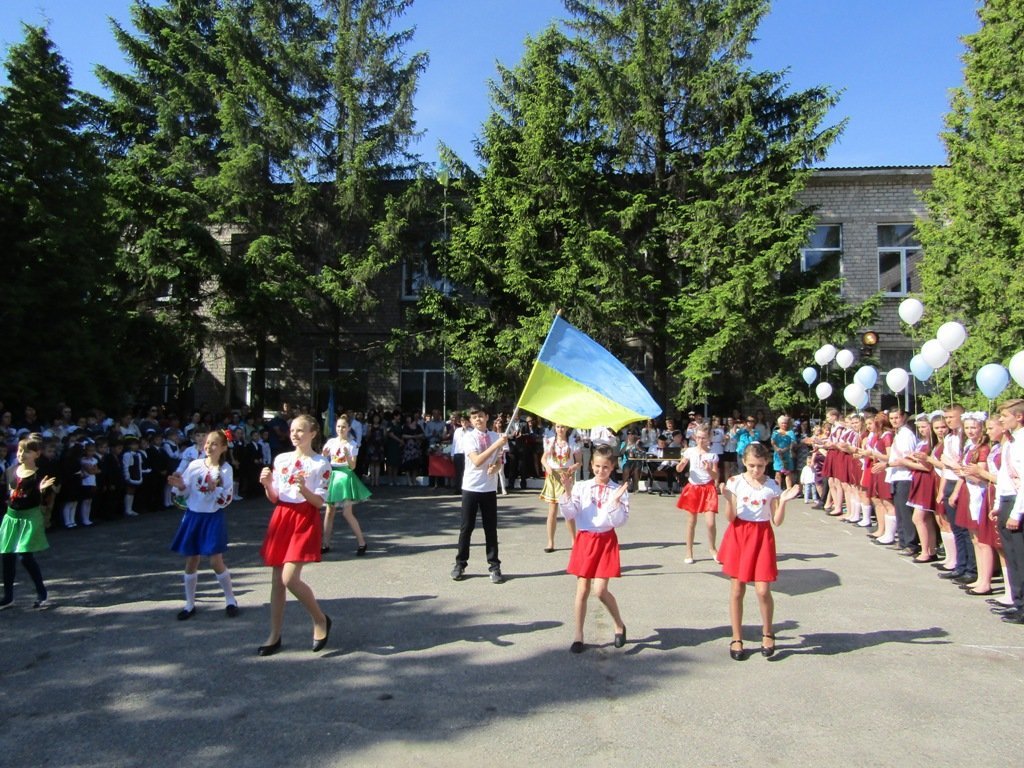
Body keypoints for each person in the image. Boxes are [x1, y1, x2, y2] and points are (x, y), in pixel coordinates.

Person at [256, 415, 333, 656]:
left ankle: (320, 619)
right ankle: (274, 634)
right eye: (292, 430)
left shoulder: (321, 464)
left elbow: (319, 502)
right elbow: (276, 496)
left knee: (289, 578)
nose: (295, 434)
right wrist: (267, 484)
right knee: (277, 580)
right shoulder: (282, 459)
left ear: (313, 433)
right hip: (282, 517)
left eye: (300, 430)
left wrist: (304, 489)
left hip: (304, 518)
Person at [719, 442, 800, 660]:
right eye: (752, 465)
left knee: (763, 590)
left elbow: (777, 521)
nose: (756, 470)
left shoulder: (771, 485)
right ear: (744, 462)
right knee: (737, 589)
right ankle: (737, 637)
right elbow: (730, 517)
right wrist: (728, 499)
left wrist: (783, 501)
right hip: (739, 534)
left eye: (761, 466)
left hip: (762, 536)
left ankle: (768, 632)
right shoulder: (735, 482)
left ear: (767, 464)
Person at [558, 444, 628, 654]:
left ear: (612, 466)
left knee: (600, 590)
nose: (601, 471)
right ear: (591, 465)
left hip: (605, 540)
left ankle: (619, 624)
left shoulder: (618, 490)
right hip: (585, 539)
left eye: (605, 467)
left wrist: (615, 503)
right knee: (582, 589)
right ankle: (578, 635)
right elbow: (570, 514)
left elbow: (619, 521)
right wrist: (567, 491)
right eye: (597, 466)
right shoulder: (582, 487)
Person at [167, 429, 238, 620]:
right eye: (207, 443)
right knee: (191, 560)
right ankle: (189, 604)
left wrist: (216, 490)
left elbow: (226, 499)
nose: (209, 446)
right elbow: (185, 491)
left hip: (212, 517)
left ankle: (230, 599)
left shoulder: (225, 469)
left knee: (215, 561)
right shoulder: (195, 465)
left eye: (214, 443)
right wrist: (180, 485)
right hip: (194, 516)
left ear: (223, 447)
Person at [451, 405, 508, 584]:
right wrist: (497, 444)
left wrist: (495, 467)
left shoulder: (494, 436)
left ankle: (494, 566)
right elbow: (476, 461)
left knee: (490, 529)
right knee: (466, 527)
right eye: (474, 417)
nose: (478, 419)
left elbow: (499, 461)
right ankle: (460, 563)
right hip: (471, 487)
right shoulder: (469, 437)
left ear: (487, 417)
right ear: (471, 420)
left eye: (481, 416)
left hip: (489, 489)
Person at [1, 434, 57, 609]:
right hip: (11, 517)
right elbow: (9, 494)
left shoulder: (39, 474)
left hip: (30, 517)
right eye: (19, 450)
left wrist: (41, 491)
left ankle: (42, 593)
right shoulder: (11, 470)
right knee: (7, 556)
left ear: (37, 454)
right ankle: (8, 597)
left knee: (25, 556)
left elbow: (43, 499)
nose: (21, 454)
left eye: (26, 451)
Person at [321, 417, 370, 556]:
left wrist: (348, 455)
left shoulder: (352, 444)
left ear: (348, 428)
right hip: (333, 476)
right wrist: (324, 455)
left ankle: (361, 542)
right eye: (338, 426)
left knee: (347, 512)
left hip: (345, 476)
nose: (340, 429)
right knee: (329, 511)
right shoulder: (331, 442)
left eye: (343, 426)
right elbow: (323, 462)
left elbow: (352, 466)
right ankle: (325, 543)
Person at [675, 426, 720, 564]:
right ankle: (689, 551)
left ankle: (712, 548)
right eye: (698, 437)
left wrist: (709, 470)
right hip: (694, 488)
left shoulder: (712, 455)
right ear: (695, 437)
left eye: (703, 438)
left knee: (710, 523)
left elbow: (716, 475)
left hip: (708, 489)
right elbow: (679, 467)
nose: (700, 440)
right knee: (691, 522)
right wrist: (680, 466)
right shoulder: (690, 451)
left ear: (709, 438)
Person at [539, 424, 581, 553]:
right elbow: (543, 459)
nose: (560, 429)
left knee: (567, 510)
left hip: (566, 476)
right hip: (553, 476)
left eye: (562, 427)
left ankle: (574, 540)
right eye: (558, 427)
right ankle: (550, 542)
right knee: (552, 511)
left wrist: (574, 467)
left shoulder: (572, 442)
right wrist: (547, 466)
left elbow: (579, 462)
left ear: (567, 428)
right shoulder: (550, 441)